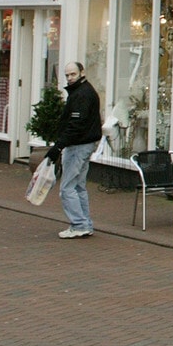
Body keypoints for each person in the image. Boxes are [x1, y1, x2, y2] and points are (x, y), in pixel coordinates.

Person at [55, 61, 104, 239]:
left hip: (78, 145)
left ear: (82, 73)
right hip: (85, 144)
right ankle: (85, 224)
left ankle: (78, 224)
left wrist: (59, 145)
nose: (69, 78)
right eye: (67, 75)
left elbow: (76, 124)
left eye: (73, 74)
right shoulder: (84, 91)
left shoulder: (81, 94)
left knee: (67, 188)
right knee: (78, 186)